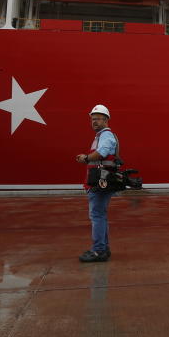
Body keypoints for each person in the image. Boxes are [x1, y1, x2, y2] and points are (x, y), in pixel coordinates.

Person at [75, 104, 119, 262]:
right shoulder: (101, 135)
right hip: (101, 182)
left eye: (98, 119)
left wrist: (86, 158)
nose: (94, 122)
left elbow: (102, 152)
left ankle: (99, 250)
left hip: (100, 183)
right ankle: (103, 248)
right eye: (92, 119)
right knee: (100, 215)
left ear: (106, 120)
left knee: (97, 216)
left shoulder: (106, 135)